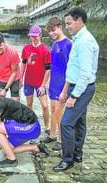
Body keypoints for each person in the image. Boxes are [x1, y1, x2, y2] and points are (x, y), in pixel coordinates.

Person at [53, 7, 99, 172]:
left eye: (69, 23)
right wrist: (66, 89)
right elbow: (73, 69)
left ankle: (68, 159)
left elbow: (85, 74)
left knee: (66, 123)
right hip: (76, 86)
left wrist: (73, 95)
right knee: (79, 122)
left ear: (79, 20)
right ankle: (77, 154)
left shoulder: (85, 41)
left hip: (82, 88)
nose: (67, 27)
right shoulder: (79, 39)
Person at [44, 16, 72, 151]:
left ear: (60, 27)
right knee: (53, 110)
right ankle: (52, 135)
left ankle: (61, 140)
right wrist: (48, 82)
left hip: (62, 85)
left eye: (53, 30)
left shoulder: (68, 44)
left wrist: (65, 90)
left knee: (59, 113)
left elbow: (71, 69)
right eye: (49, 31)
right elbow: (52, 66)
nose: (52, 33)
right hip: (54, 83)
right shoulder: (55, 44)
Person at [20, 25, 51, 135]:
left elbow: (48, 70)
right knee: (29, 104)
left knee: (45, 105)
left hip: (40, 83)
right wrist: (20, 78)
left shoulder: (45, 50)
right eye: (31, 36)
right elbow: (23, 64)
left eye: (36, 36)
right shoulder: (26, 48)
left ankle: (47, 127)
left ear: (40, 35)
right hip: (28, 81)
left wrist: (43, 85)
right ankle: (30, 124)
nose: (33, 38)